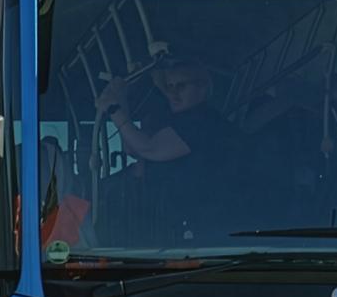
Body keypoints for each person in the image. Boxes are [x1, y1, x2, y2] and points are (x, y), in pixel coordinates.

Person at [94, 55, 238, 234]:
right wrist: (120, 98)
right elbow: (134, 148)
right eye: (169, 87)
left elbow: (150, 148)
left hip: (208, 229)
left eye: (181, 86)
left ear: (202, 87)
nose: (173, 93)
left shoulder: (203, 121)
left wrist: (114, 110)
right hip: (172, 226)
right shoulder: (179, 119)